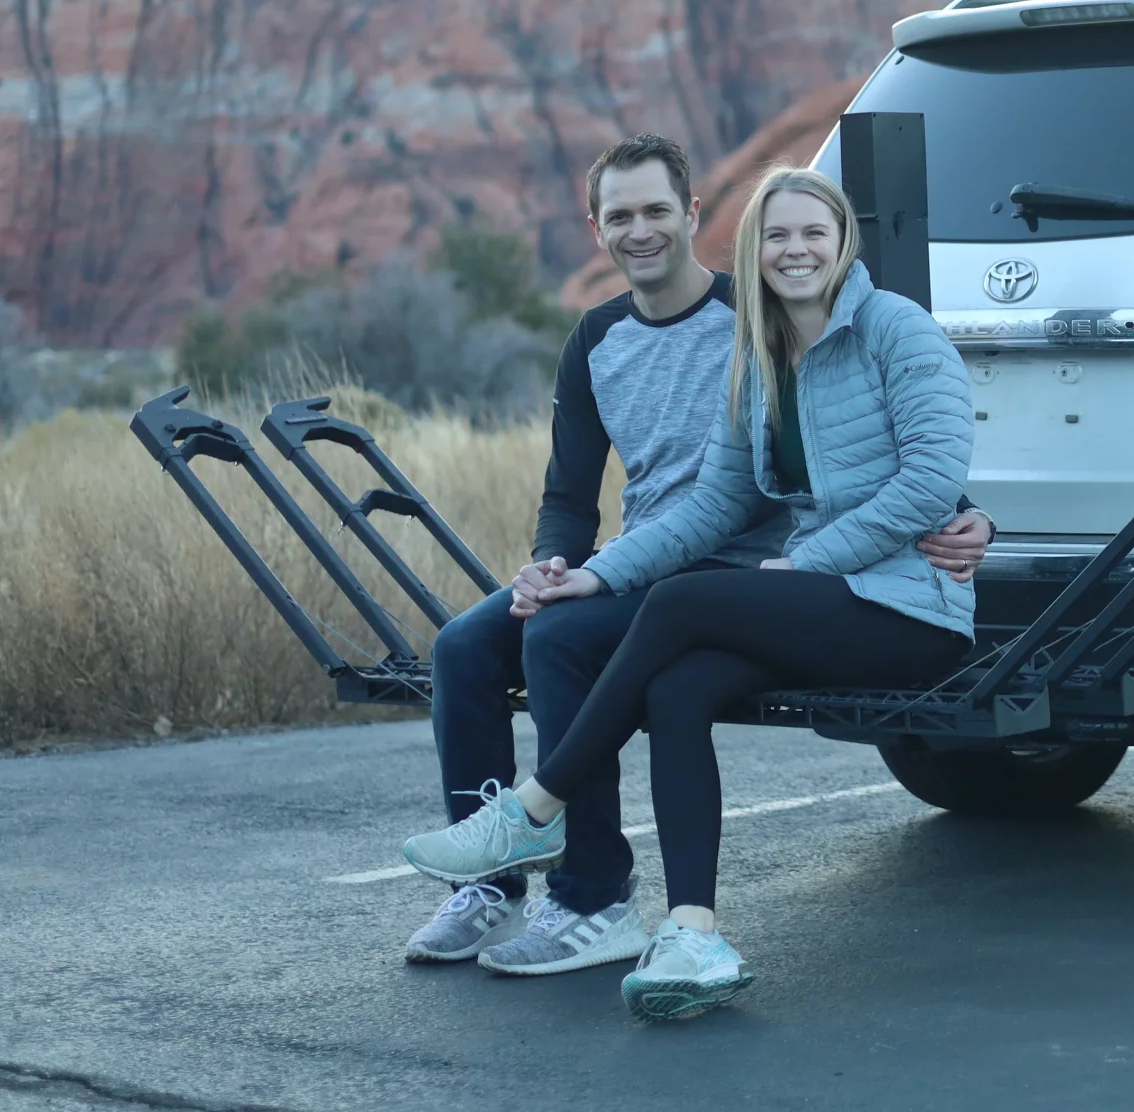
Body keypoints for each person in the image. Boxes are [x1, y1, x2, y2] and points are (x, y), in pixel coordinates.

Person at [397, 164, 975, 1020]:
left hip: (899, 604)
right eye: (776, 235)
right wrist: (592, 571)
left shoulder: (895, 328)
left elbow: (931, 476)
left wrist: (820, 558)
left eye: (813, 231)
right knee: (676, 684)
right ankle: (692, 935)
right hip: (809, 593)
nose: (795, 249)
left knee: (671, 609)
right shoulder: (761, 351)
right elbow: (715, 500)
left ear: (843, 238)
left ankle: (538, 809)